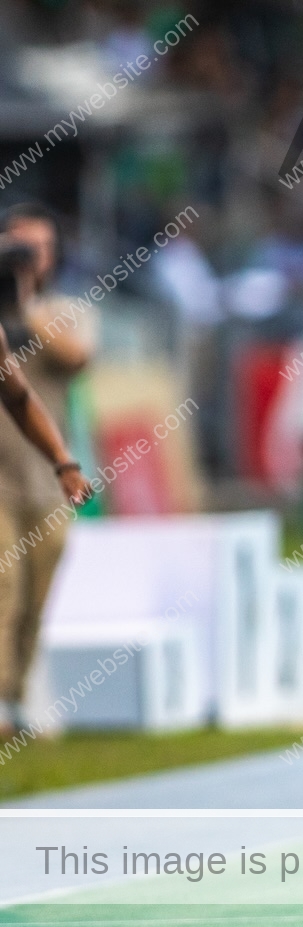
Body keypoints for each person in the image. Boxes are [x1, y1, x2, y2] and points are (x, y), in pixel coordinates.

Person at [0, 237, 94, 738]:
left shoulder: (55, 312)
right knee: (4, 587)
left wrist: (63, 463)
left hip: (36, 482)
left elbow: (18, 397)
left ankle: (9, 701)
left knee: (30, 595)